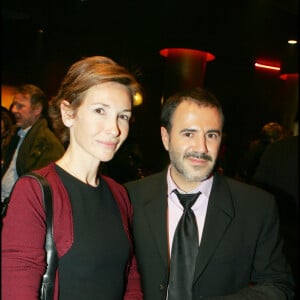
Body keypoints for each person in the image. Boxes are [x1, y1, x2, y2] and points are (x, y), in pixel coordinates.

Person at [125, 87, 294, 299]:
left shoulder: (256, 206)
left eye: (211, 135)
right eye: (189, 134)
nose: (202, 147)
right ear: (165, 137)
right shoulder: (128, 198)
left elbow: (279, 285)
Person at [1, 56, 143, 299]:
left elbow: (131, 278)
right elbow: (18, 289)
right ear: (68, 113)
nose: (115, 128)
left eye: (123, 116)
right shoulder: (34, 192)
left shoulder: (119, 194)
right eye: (100, 110)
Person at [1, 84, 65, 202]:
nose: (13, 110)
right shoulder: (17, 133)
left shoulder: (47, 143)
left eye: (20, 106)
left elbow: (45, 188)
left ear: (37, 110)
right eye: (14, 104)